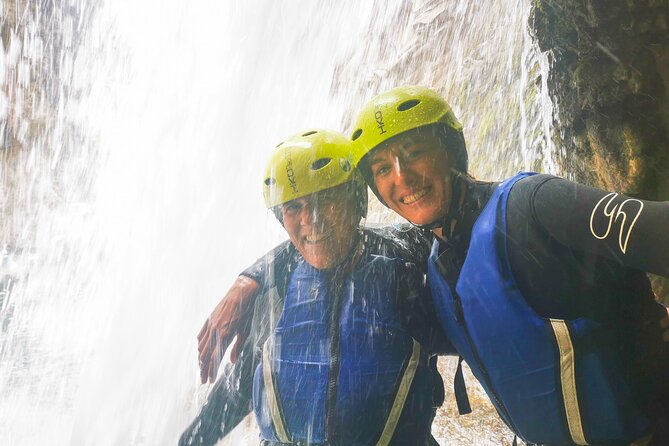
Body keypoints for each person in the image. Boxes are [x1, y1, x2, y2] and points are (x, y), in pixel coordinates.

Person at [347, 86, 669, 445]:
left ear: (450, 151)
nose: (401, 177)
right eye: (381, 169)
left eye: (415, 152)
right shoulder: (437, 268)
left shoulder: (534, 206)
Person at [180, 129, 452, 446]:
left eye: (325, 198)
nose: (311, 219)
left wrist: (248, 278)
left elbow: (457, 225)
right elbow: (239, 387)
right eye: (293, 207)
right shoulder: (276, 286)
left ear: (355, 202)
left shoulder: (406, 261)